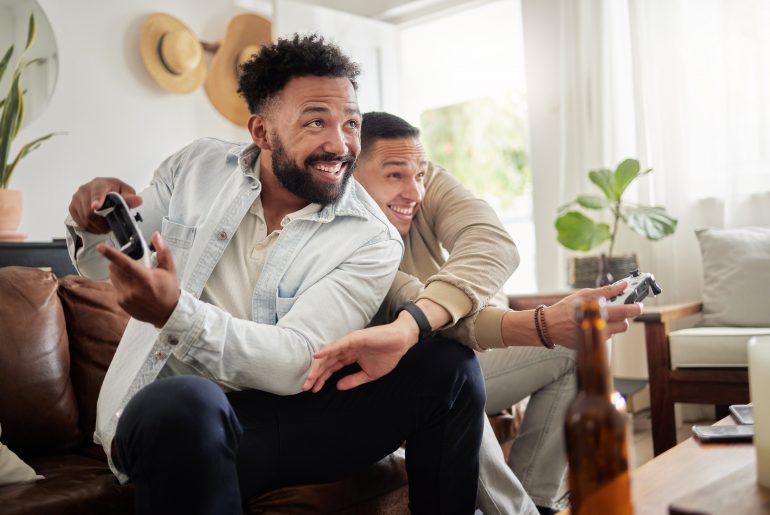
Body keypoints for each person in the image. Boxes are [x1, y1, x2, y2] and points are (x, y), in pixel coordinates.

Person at [65, 36, 485, 515]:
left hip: (284, 421)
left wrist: (175, 313)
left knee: (450, 367)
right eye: (315, 122)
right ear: (262, 132)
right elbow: (100, 264)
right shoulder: (198, 167)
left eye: (351, 123)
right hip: (175, 418)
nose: (340, 144)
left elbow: (298, 360)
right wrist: (91, 223)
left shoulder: (372, 236)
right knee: (188, 400)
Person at [305, 112, 643, 515]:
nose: (414, 192)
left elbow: (493, 241)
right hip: (398, 379)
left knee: (579, 346)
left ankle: (538, 503)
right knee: (449, 369)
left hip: (457, 345)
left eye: (420, 175)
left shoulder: (413, 169)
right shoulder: (343, 237)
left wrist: (544, 324)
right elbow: (416, 305)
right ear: (350, 178)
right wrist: (540, 323)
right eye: (394, 176)